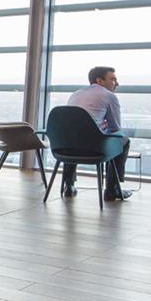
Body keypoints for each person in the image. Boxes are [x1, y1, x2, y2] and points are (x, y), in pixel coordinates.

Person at [63, 66, 132, 201]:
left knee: (73, 136)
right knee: (123, 140)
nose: (117, 83)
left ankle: (69, 185)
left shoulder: (75, 94)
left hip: (65, 148)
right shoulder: (109, 96)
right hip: (93, 149)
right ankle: (112, 189)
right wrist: (102, 128)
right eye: (113, 79)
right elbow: (115, 129)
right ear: (99, 81)